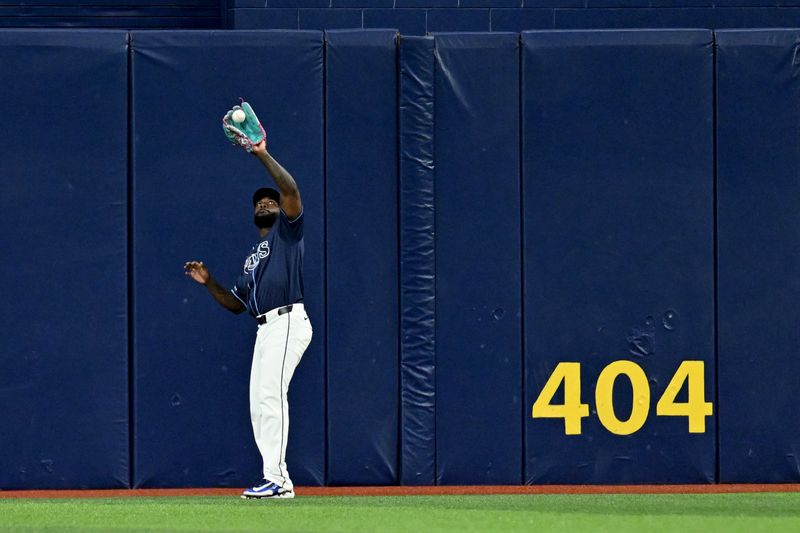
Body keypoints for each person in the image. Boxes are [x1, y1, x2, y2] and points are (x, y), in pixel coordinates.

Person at [184, 139, 312, 500]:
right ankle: (272, 476)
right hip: (265, 327)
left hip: (287, 319)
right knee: (260, 402)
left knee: (272, 397)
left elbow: (291, 188)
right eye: (260, 202)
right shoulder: (252, 259)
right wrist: (210, 283)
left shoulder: (287, 233)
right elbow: (236, 304)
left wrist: (261, 154)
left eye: (270, 201)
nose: (266, 203)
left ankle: (280, 480)